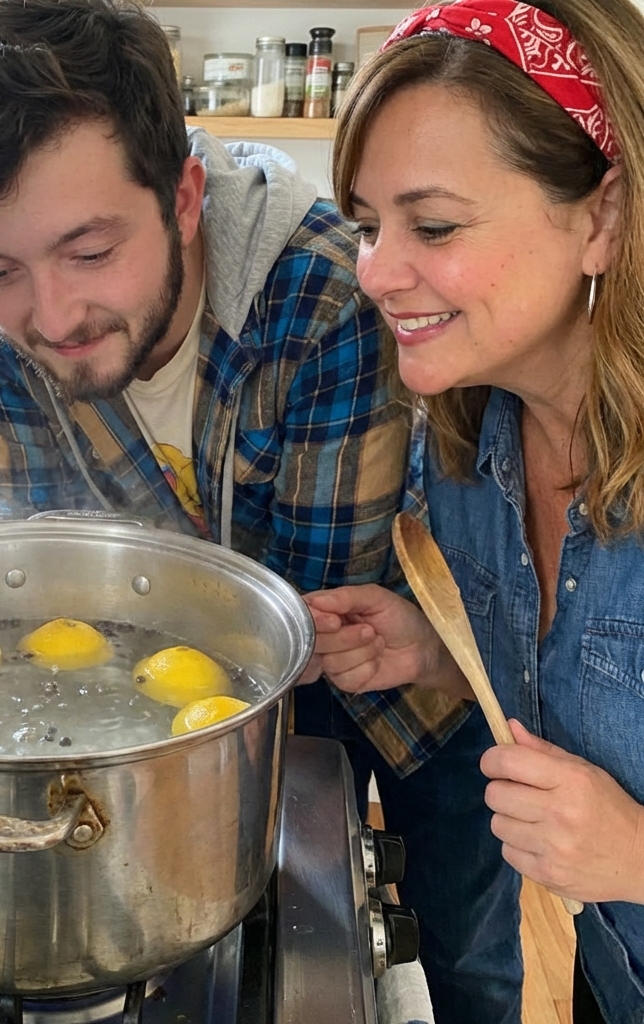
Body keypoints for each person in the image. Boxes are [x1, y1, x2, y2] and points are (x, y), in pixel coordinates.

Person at [0, 1, 519, 1018]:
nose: (47, 317)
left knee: (457, 944)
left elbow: (305, 612)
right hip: (182, 683)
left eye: (89, 252)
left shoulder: (321, 295)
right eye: (3, 266)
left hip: (393, 667)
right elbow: (51, 566)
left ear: (183, 193)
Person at [304, 0, 644, 1020]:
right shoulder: (462, 451)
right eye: (367, 226)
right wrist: (440, 650)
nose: (373, 270)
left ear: (603, 218)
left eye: (433, 225)